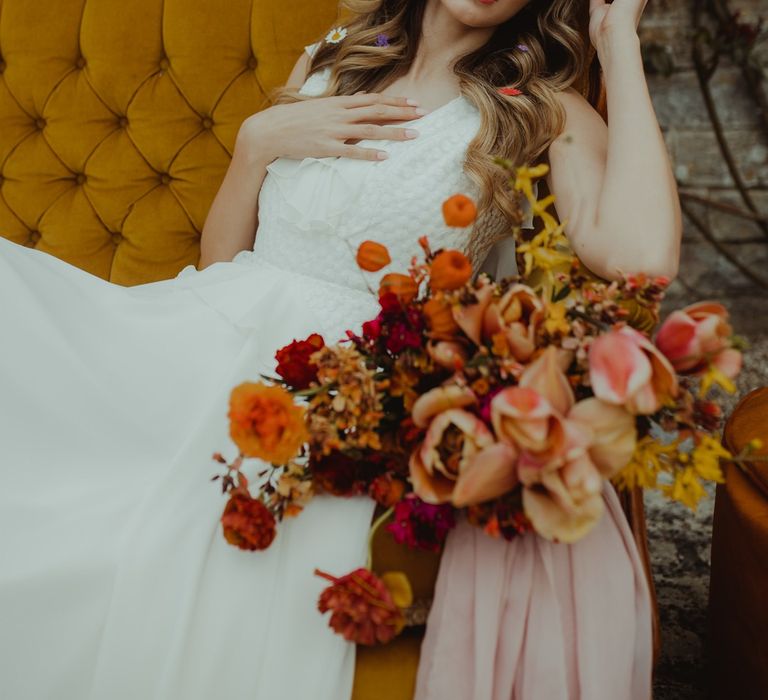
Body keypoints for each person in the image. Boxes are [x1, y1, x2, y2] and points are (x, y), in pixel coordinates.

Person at [0, 0, 680, 698]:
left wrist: (617, 39)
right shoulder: (338, 55)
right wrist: (256, 142)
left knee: (86, 536)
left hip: (327, 387)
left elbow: (641, 254)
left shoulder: (540, 108)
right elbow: (222, 263)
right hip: (201, 335)